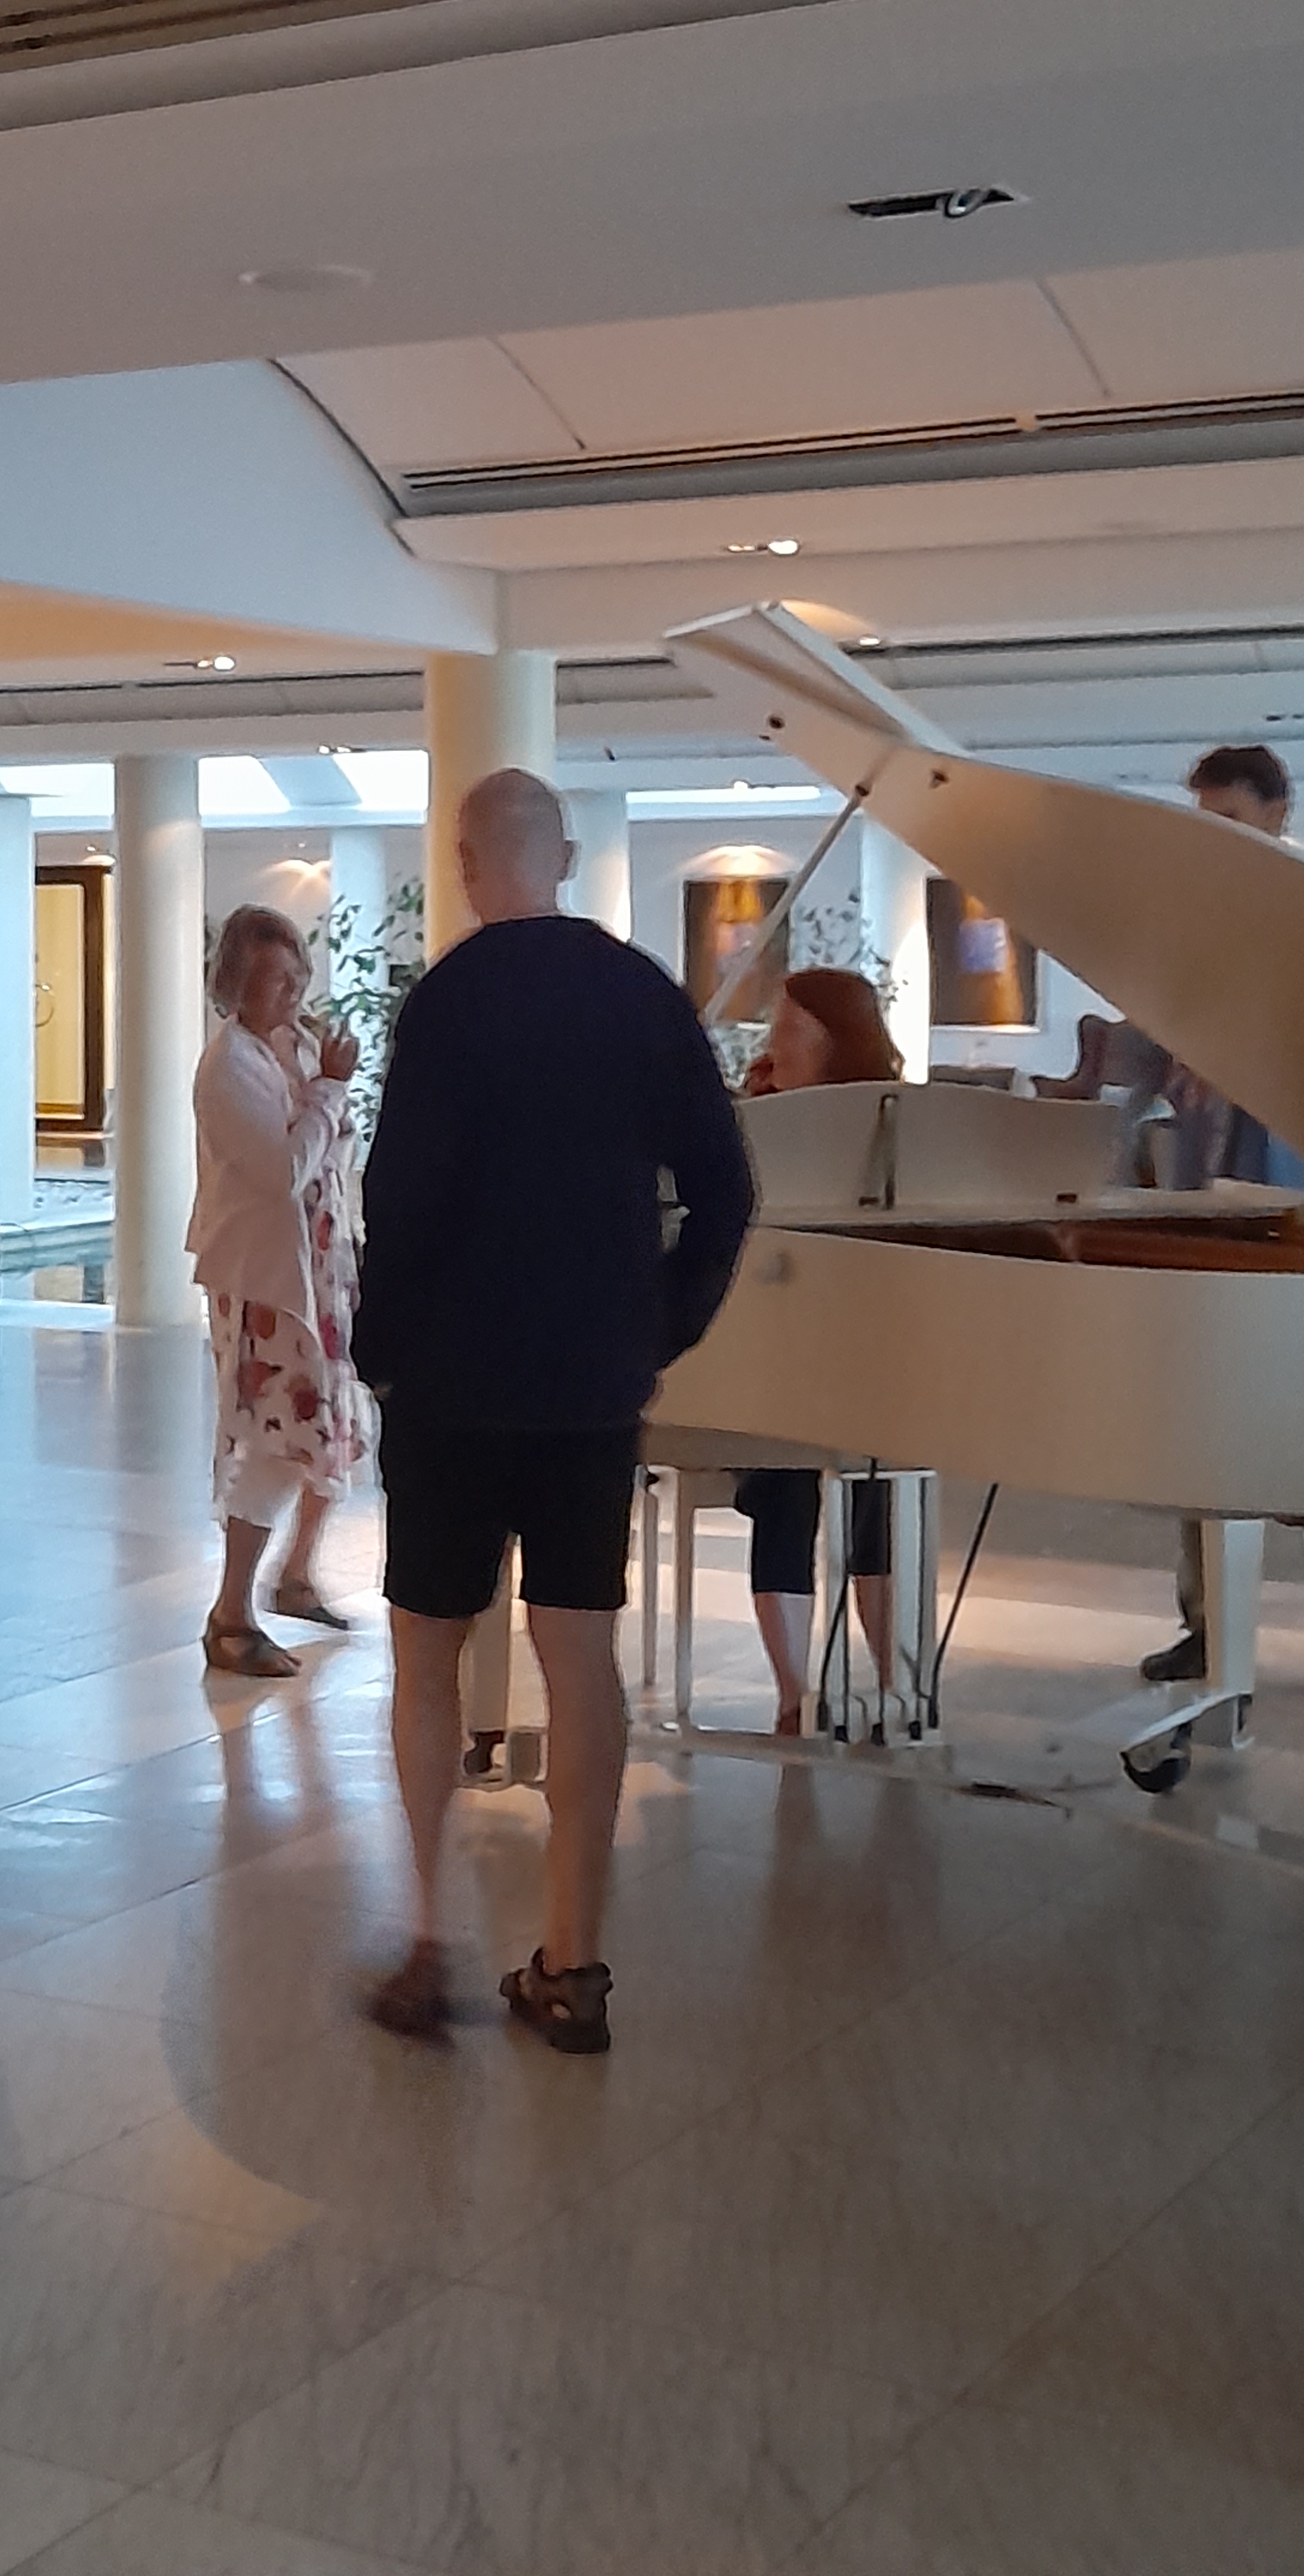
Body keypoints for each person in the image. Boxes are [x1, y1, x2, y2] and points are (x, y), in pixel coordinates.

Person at [354, 768, 754, 2052]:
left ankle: (428, 1934)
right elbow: (727, 1189)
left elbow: (398, 1200)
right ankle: (573, 1961)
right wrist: (659, 1324)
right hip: (588, 1382)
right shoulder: (639, 994)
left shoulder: (446, 1002)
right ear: (567, 858)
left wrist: (379, 1349)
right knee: (578, 1657)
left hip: (451, 1381)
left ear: (467, 862)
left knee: (428, 1655)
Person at [1139, 742, 1304, 1708]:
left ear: (1278, 814)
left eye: (1232, 821)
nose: (1216, 840)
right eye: (1205, 822)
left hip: (1300, 1202)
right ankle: (1207, 1625)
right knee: (1200, 1427)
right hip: (1210, 1199)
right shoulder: (1200, 930)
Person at [187, 904, 367, 1675]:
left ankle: (296, 1574)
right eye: (274, 981)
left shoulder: (292, 1049)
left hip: (318, 1273)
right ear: (236, 986)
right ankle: (231, 1613)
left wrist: (329, 1092)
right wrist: (329, 1091)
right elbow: (280, 1172)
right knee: (274, 1438)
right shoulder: (229, 1067)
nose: (292, 995)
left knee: (331, 1423)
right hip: (269, 1282)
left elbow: (332, 1150)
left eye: (298, 978)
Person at [735, 968, 904, 1733]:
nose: (773, 1045)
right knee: (780, 1481)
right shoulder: (755, 1120)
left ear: (835, 1042)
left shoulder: (891, 1123)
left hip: (865, 1343)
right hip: (776, 1345)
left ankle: (893, 1677)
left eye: (790, 1032)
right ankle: (793, 1692)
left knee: (877, 1483)